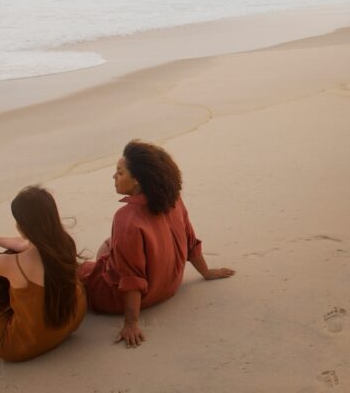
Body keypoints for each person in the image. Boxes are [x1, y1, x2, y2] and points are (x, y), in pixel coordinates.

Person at [78, 140, 235, 348]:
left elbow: (131, 277)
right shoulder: (173, 199)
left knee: (76, 270)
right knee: (109, 244)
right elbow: (189, 240)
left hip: (131, 298)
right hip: (169, 283)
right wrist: (206, 273)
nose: (114, 176)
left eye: (120, 172)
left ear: (137, 181)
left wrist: (131, 324)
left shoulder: (127, 218)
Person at [0, 186, 87, 362]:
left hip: (22, 345)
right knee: (13, 254)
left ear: (22, 226)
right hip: (71, 321)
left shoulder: (15, 264)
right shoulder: (65, 243)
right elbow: (25, 245)